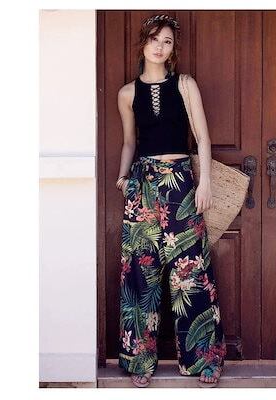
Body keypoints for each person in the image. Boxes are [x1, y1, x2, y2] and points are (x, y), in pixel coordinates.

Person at [115, 14, 226, 388]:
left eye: (167, 41)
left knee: (190, 271)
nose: (159, 47)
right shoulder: (127, 94)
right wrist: (122, 176)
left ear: (173, 47)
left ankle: (203, 360)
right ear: (143, 43)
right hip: (142, 185)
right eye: (154, 39)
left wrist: (204, 183)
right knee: (139, 273)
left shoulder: (185, 84)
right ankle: (139, 362)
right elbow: (129, 141)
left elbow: (203, 138)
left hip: (181, 184)